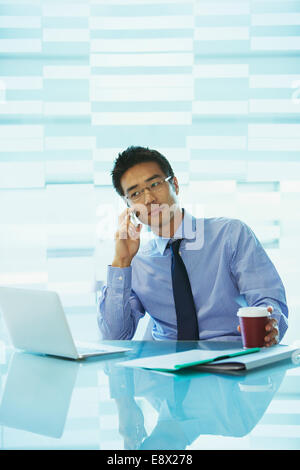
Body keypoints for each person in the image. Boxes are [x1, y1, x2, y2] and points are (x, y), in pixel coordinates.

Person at [98, 146, 288, 345]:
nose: (148, 199)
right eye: (135, 194)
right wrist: (121, 261)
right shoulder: (137, 262)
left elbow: (269, 301)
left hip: (229, 358)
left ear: (175, 185)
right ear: (128, 206)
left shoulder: (230, 235)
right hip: (164, 366)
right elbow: (116, 336)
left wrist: (269, 324)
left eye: (154, 184)